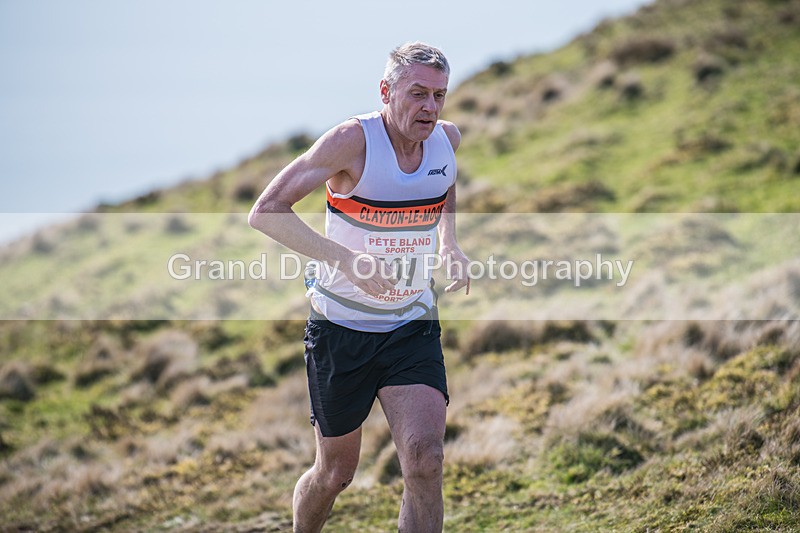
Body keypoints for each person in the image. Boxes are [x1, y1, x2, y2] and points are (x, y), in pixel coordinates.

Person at [248, 41, 469, 533]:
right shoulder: (352, 142)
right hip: (341, 330)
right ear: (386, 91)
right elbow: (265, 211)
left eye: (439, 95)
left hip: (411, 325)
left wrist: (449, 241)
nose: (430, 108)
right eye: (417, 94)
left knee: (426, 460)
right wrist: (346, 260)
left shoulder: (445, 140)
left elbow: (444, 180)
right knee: (335, 474)